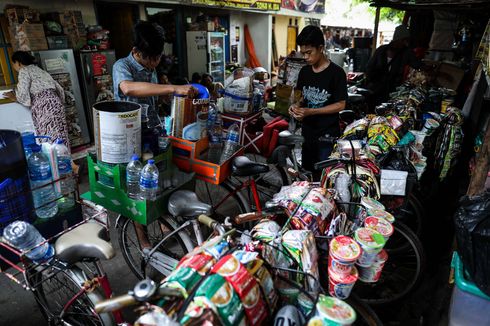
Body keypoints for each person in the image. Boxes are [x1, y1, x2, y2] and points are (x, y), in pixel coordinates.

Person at [289, 25, 347, 179]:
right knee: (308, 174)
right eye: (303, 53)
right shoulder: (305, 71)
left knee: (325, 177)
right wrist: (296, 107)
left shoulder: (337, 73)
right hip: (307, 134)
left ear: (321, 48)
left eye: (309, 53)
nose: (306, 57)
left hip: (327, 136)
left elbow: (341, 104)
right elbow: (300, 97)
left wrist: (312, 111)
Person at [113, 21, 194, 128]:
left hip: (152, 126)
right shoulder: (121, 65)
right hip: (130, 129)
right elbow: (128, 88)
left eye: (158, 57)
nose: (155, 63)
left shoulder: (151, 68)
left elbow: (151, 99)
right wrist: (173, 88)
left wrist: (164, 97)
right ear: (136, 51)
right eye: (150, 59)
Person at [5, 51, 71, 148]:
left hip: (44, 105)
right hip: (56, 102)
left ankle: (57, 162)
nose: (14, 67)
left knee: (49, 135)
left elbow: (23, 94)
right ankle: (69, 161)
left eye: (13, 64)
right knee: (60, 134)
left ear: (18, 62)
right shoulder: (39, 70)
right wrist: (58, 102)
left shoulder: (24, 71)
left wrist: (14, 97)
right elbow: (60, 89)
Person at [366, 24, 423, 105]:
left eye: (406, 41)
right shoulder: (381, 50)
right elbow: (369, 68)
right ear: (397, 39)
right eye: (403, 41)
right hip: (375, 90)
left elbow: (417, 64)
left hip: (392, 93)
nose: (405, 44)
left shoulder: (406, 53)